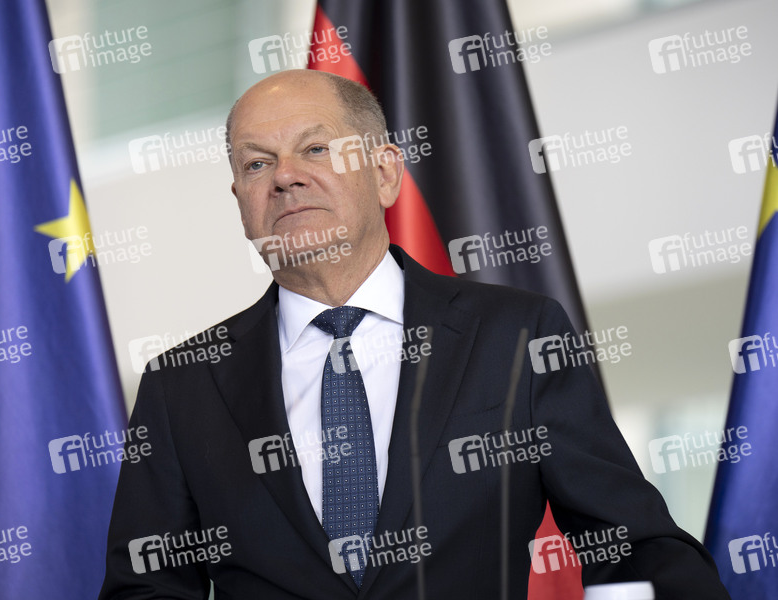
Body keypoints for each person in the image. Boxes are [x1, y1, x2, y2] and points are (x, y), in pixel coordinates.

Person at [98, 69, 730, 599]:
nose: (285, 176)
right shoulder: (181, 386)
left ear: (385, 173)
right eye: (257, 163)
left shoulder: (515, 336)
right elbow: (146, 589)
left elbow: (630, 544)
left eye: (315, 149)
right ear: (240, 201)